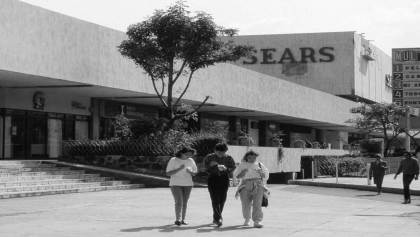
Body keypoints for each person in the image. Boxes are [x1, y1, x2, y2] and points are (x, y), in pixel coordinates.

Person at [234, 150, 269, 228]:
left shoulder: (260, 165)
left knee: (257, 203)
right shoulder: (242, 165)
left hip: (258, 184)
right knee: (245, 204)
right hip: (245, 185)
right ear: (247, 157)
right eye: (250, 157)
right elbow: (236, 176)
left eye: (254, 157)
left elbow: (266, 176)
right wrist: (243, 172)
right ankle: (247, 219)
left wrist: (261, 173)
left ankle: (257, 221)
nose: (253, 159)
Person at [203, 143, 236, 227]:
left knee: (222, 199)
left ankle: (216, 217)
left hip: (224, 178)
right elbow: (204, 168)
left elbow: (233, 167)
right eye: (219, 152)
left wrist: (226, 169)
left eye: (223, 152)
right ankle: (218, 218)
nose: (221, 154)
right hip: (213, 178)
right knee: (215, 199)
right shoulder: (209, 157)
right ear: (215, 151)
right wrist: (210, 166)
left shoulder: (228, 158)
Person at [166, 146, 197, 226]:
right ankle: (178, 219)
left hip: (188, 184)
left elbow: (195, 173)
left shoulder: (191, 160)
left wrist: (191, 172)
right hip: (175, 184)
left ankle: (183, 219)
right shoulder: (173, 160)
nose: (189, 156)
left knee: (185, 202)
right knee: (179, 202)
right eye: (187, 154)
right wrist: (179, 169)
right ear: (182, 153)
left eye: (190, 155)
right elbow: (168, 173)